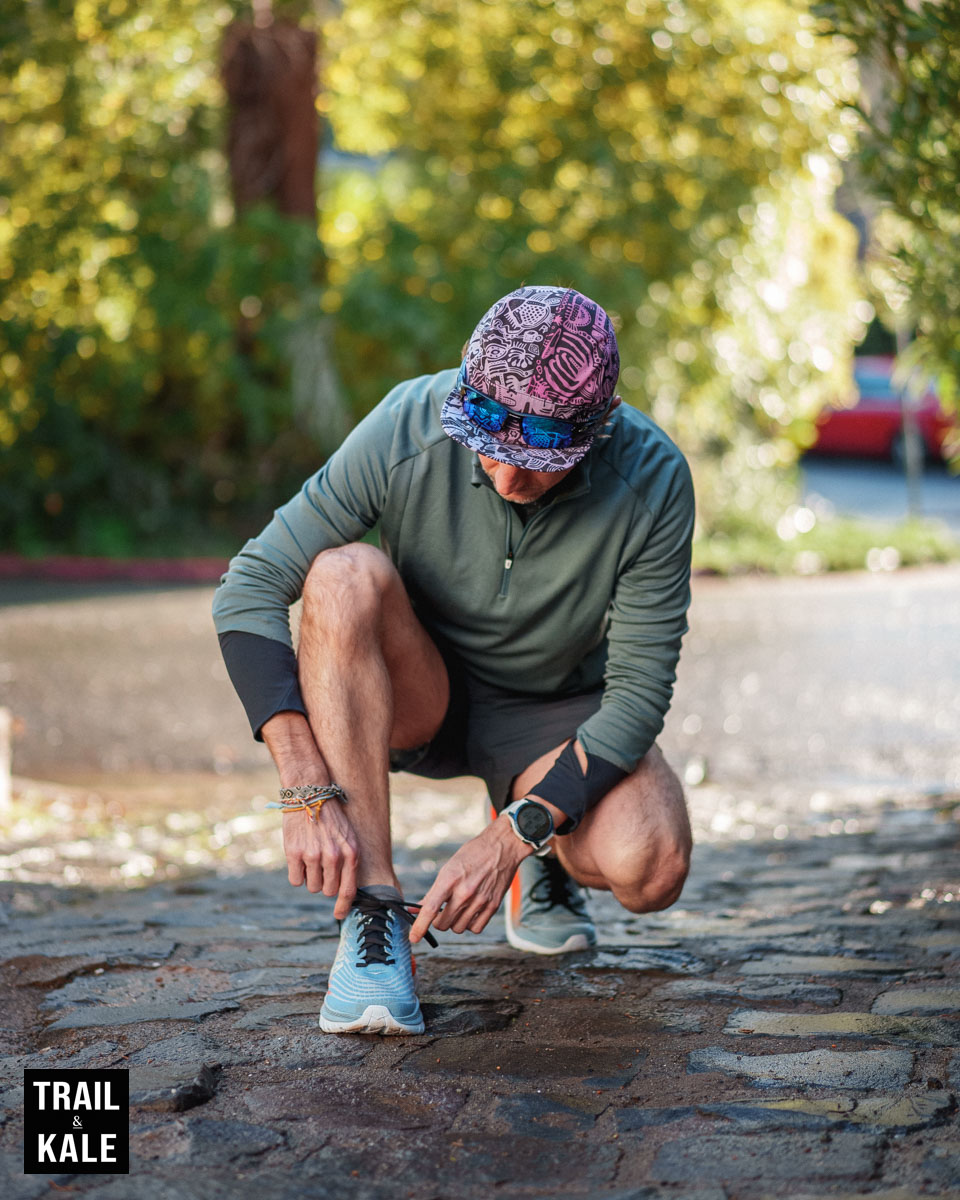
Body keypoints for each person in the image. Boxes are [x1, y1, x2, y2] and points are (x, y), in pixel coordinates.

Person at [213, 284, 695, 1035]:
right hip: (416, 690)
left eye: (540, 460)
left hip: (550, 714)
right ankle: (372, 921)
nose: (507, 479)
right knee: (341, 576)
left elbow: (636, 697)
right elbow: (248, 588)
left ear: (596, 433)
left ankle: (541, 855)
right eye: (492, 449)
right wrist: (305, 780)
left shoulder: (654, 479)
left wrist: (513, 835)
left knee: (652, 864)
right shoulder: (409, 420)